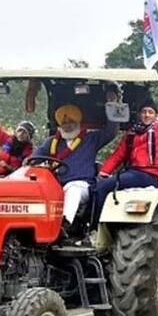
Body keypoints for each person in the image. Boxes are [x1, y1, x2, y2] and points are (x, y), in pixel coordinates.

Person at [93, 84, 158, 226]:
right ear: (139, 115)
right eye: (144, 112)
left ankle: (97, 227)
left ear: (155, 115)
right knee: (96, 186)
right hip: (133, 173)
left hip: (149, 175)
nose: (146, 115)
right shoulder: (132, 133)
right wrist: (103, 172)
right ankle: (83, 227)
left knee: (104, 187)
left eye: (150, 112)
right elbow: (118, 155)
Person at [32, 85, 119, 229]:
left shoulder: (90, 139)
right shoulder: (52, 142)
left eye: (70, 121)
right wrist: (31, 163)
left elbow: (111, 132)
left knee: (73, 189)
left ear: (78, 121)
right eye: (63, 123)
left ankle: (64, 226)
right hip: (55, 185)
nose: (67, 125)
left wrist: (113, 105)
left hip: (83, 185)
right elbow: (34, 157)